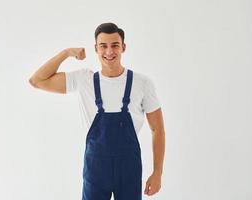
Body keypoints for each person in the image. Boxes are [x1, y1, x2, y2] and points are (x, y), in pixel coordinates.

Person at [29, 22, 165, 200]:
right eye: (103, 46)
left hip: (128, 168)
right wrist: (67, 53)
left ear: (123, 47)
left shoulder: (142, 83)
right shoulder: (84, 80)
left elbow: (158, 129)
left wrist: (157, 173)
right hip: (96, 168)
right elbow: (37, 80)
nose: (109, 52)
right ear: (96, 48)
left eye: (115, 45)